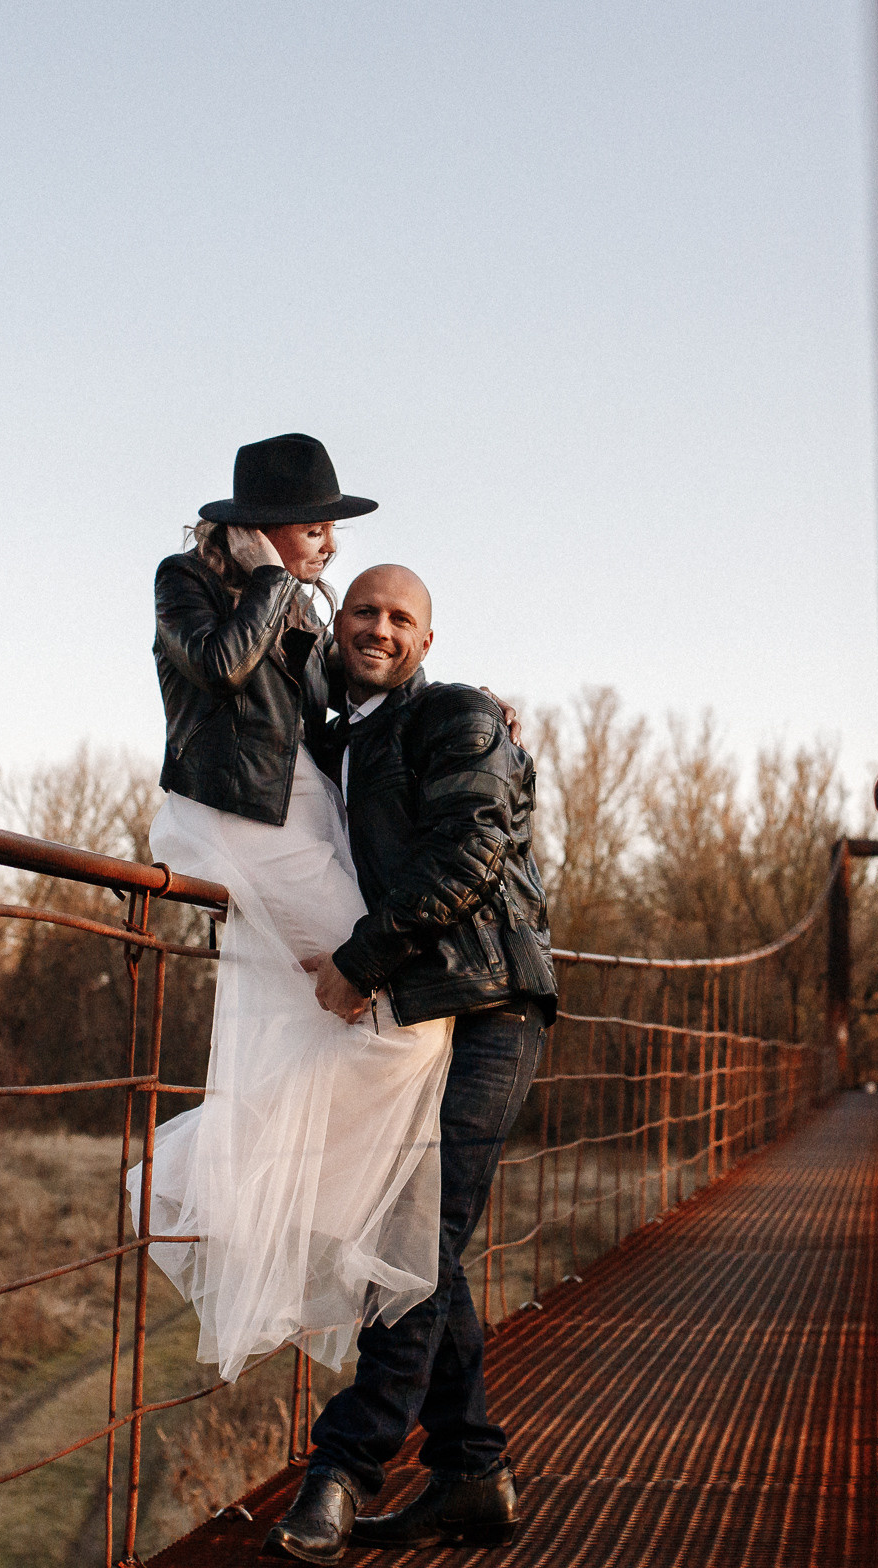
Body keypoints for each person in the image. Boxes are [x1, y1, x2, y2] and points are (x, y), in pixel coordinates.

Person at [127, 433, 454, 1385]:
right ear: (266, 525)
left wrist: (458, 705)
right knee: (400, 1009)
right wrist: (273, 579)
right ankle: (203, 1182)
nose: (329, 546)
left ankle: (248, 1190)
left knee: (383, 1014)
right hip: (238, 818)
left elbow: (345, 698)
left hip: (307, 807)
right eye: (318, 526)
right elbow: (222, 668)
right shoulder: (186, 579)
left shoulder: (300, 605)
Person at [259, 563, 557, 1565]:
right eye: (364, 610)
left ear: (427, 641)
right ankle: (472, 1472)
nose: (378, 627)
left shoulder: (459, 715)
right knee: (424, 1240)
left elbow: (471, 853)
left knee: (413, 1235)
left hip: (488, 1006)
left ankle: (342, 1469)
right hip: (414, 1011)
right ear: (337, 623)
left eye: (401, 617)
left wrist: (357, 961)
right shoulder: (338, 736)